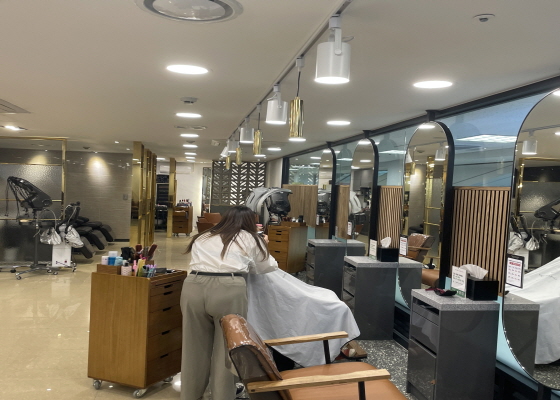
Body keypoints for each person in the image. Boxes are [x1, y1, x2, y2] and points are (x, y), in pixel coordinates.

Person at [180, 205, 278, 400]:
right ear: (249, 222)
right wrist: (264, 244)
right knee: (227, 348)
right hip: (228, 289)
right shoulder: (250, 238)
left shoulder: (203, 236)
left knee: (193, 346)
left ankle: (190, 395)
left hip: (192, 287)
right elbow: (266, 267)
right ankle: (222, 396)